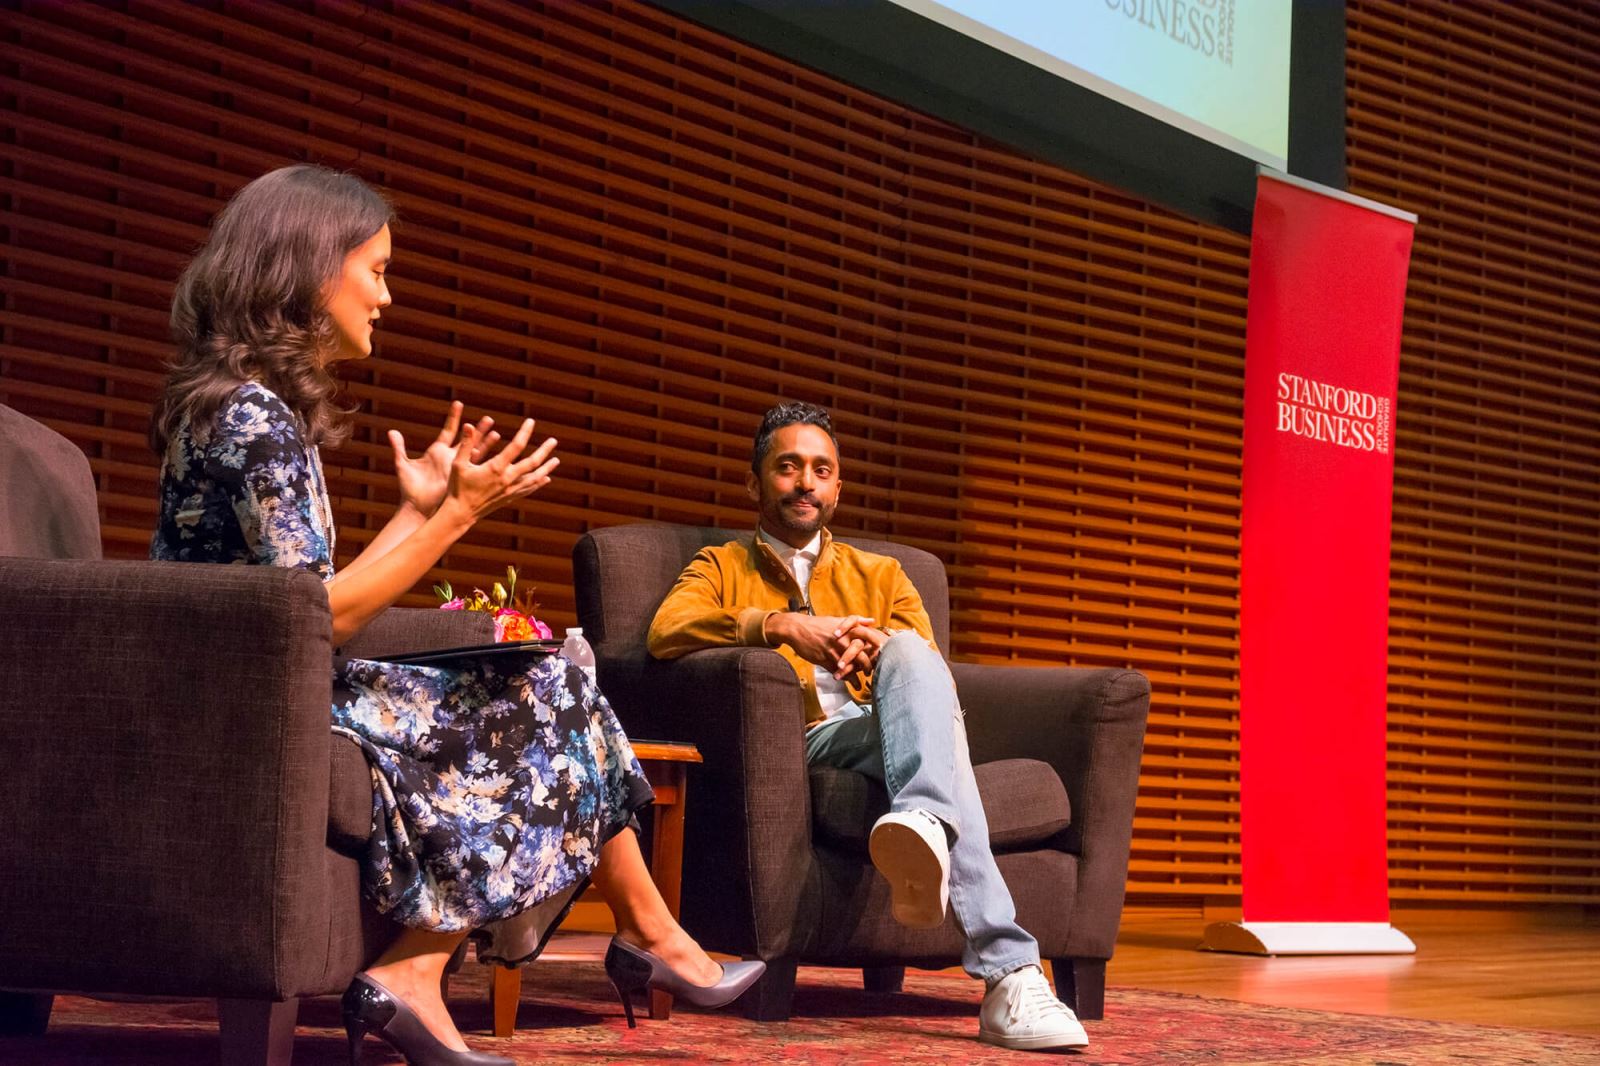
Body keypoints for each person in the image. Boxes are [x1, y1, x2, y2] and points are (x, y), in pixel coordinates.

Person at [148, 164, 761, 1066]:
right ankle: (608, 942)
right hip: (247, 704)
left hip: (268, 679)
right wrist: (455, 519)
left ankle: (607, 939)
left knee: (553, 675)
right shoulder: (256, 421)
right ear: (311, 267)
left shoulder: (243, 408)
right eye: (377, 268)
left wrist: (416, 512)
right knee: (547, 691)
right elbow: (317, 621)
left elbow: (304, 601)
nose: (387, 296)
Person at [646, 401, 1088, 1052]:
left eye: (821, 470)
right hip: (804, 737)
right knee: (945, 747)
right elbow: (665, 631)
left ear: (838, 486)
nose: (805, 482)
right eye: (788, 467)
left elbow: (928, 678)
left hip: (882, 724)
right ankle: (1010, 972)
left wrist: (878, 653)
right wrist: (780, 626)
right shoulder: (721, 566)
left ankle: (924, 826)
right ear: (755, 483)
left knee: (913, 652)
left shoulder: (881, 574)